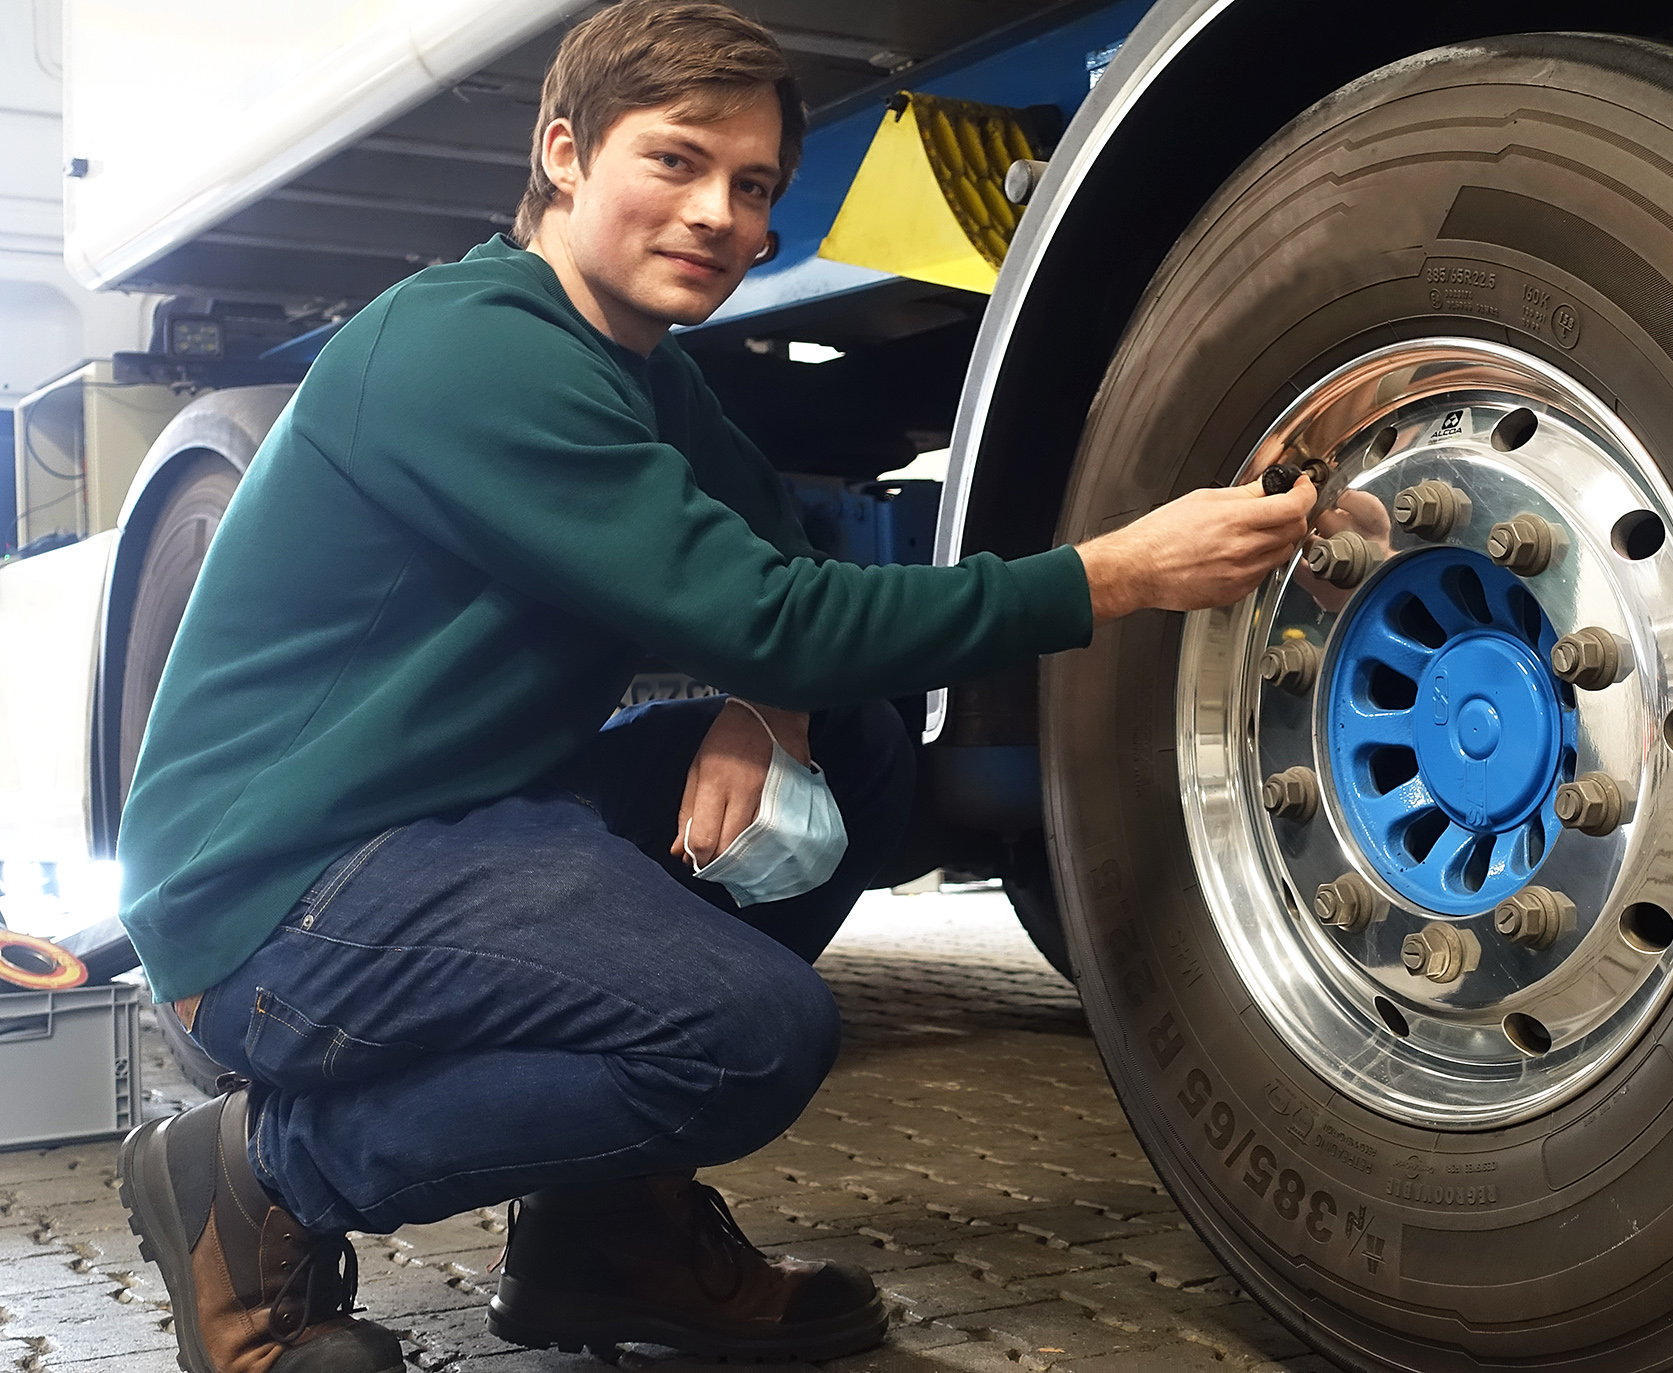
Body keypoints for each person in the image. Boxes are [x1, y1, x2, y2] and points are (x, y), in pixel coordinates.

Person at [110, 3, 1316, 1369]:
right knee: (747, 1039)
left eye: (753, 190)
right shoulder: (474, 351)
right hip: (279, 895)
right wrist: (1115, 573)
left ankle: (600, 1239)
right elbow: (774, 609)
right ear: (562, 154)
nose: (721, 218)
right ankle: (262, 1181)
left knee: (849, 750)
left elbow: (781, 569)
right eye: (676, 163)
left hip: (459, 822)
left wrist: (770, 708)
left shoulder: (641, 372)